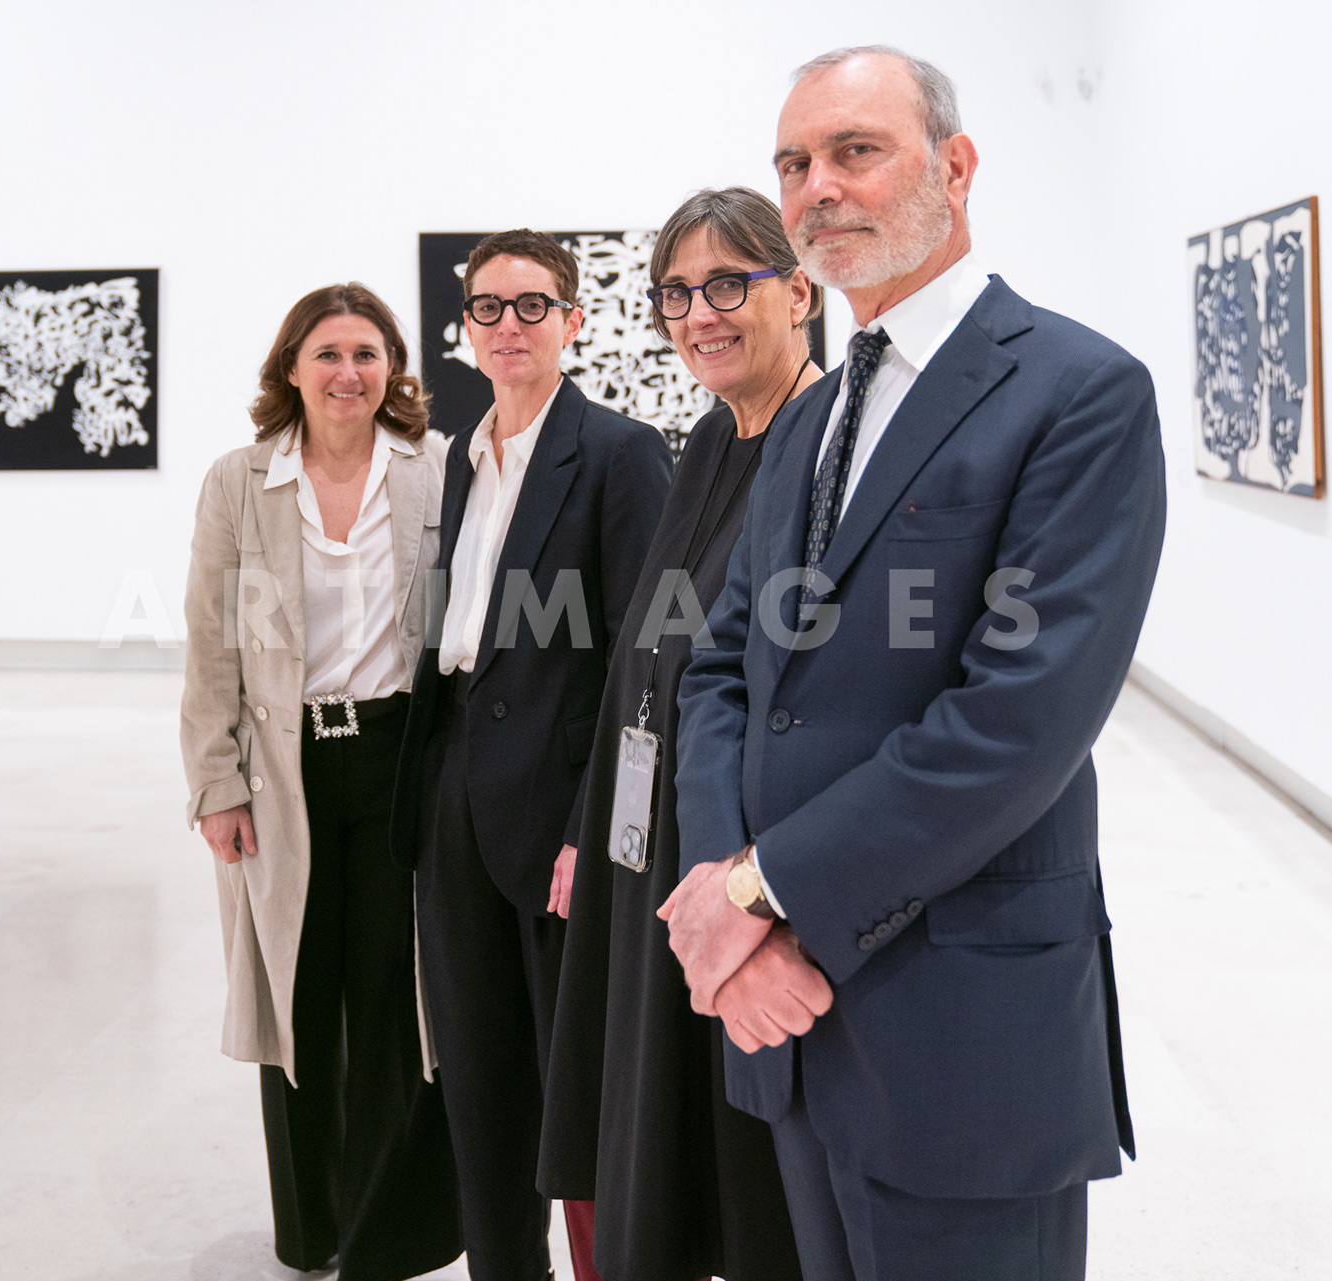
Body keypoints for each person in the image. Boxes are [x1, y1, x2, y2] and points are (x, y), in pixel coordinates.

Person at [663, 46, 1166, 1281]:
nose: (817, 187)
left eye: (854, 152)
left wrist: (755, 898)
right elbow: (725, 667)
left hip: (961, 1024)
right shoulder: (816, 414)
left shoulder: (1076, 392)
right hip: (788, 1024)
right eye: (794, 163)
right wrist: (722, 893)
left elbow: (1016, 726)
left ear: (954, 165)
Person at [538, 187, 822, 1281]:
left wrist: (749, 889)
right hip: (645, 852)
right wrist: (591, 826)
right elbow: (641, 664)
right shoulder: (707, 441)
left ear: (796, 291)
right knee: (654, 1137)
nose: (698, 312)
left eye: (725, 285)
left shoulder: (819, 450)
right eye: (676, 293)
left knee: (749, 1176)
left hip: (734, 866)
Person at [388, 229, 673, 1281]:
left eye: (533, 305)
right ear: (464, 330)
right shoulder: (462, 456)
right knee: (477, 1073)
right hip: (454, 790)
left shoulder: (617, 451)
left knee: (573, 1081)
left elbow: (646, 658)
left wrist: (590, 830)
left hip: (558, 808)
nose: (510, 326)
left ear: (575, 321)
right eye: (490, 308)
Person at [180, 283, 463, 1281]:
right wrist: (216, 781)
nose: (349, 373)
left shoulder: (434, 471)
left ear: (393, 368)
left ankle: (389, 1230)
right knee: (300, 997)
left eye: (367, 354)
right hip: (285, 769)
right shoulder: (240, 481)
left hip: (399, 765)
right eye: (328, 354)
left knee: (392, 999)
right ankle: (312, 1229)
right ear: (291, 368)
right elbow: (211, 640)